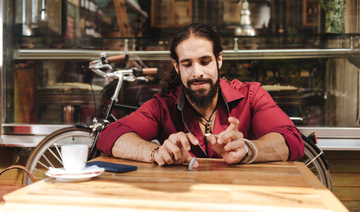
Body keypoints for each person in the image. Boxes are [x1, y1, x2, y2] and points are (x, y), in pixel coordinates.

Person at [97, 23, 304, 168]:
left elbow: (292, 140)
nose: (197, 72)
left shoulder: (251, 95)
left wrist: (249, 149)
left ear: (219, 60)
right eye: (187, 64)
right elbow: (109, 135)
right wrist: (155, 153)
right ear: (176, 67)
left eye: (205, 61)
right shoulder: (163, 106)